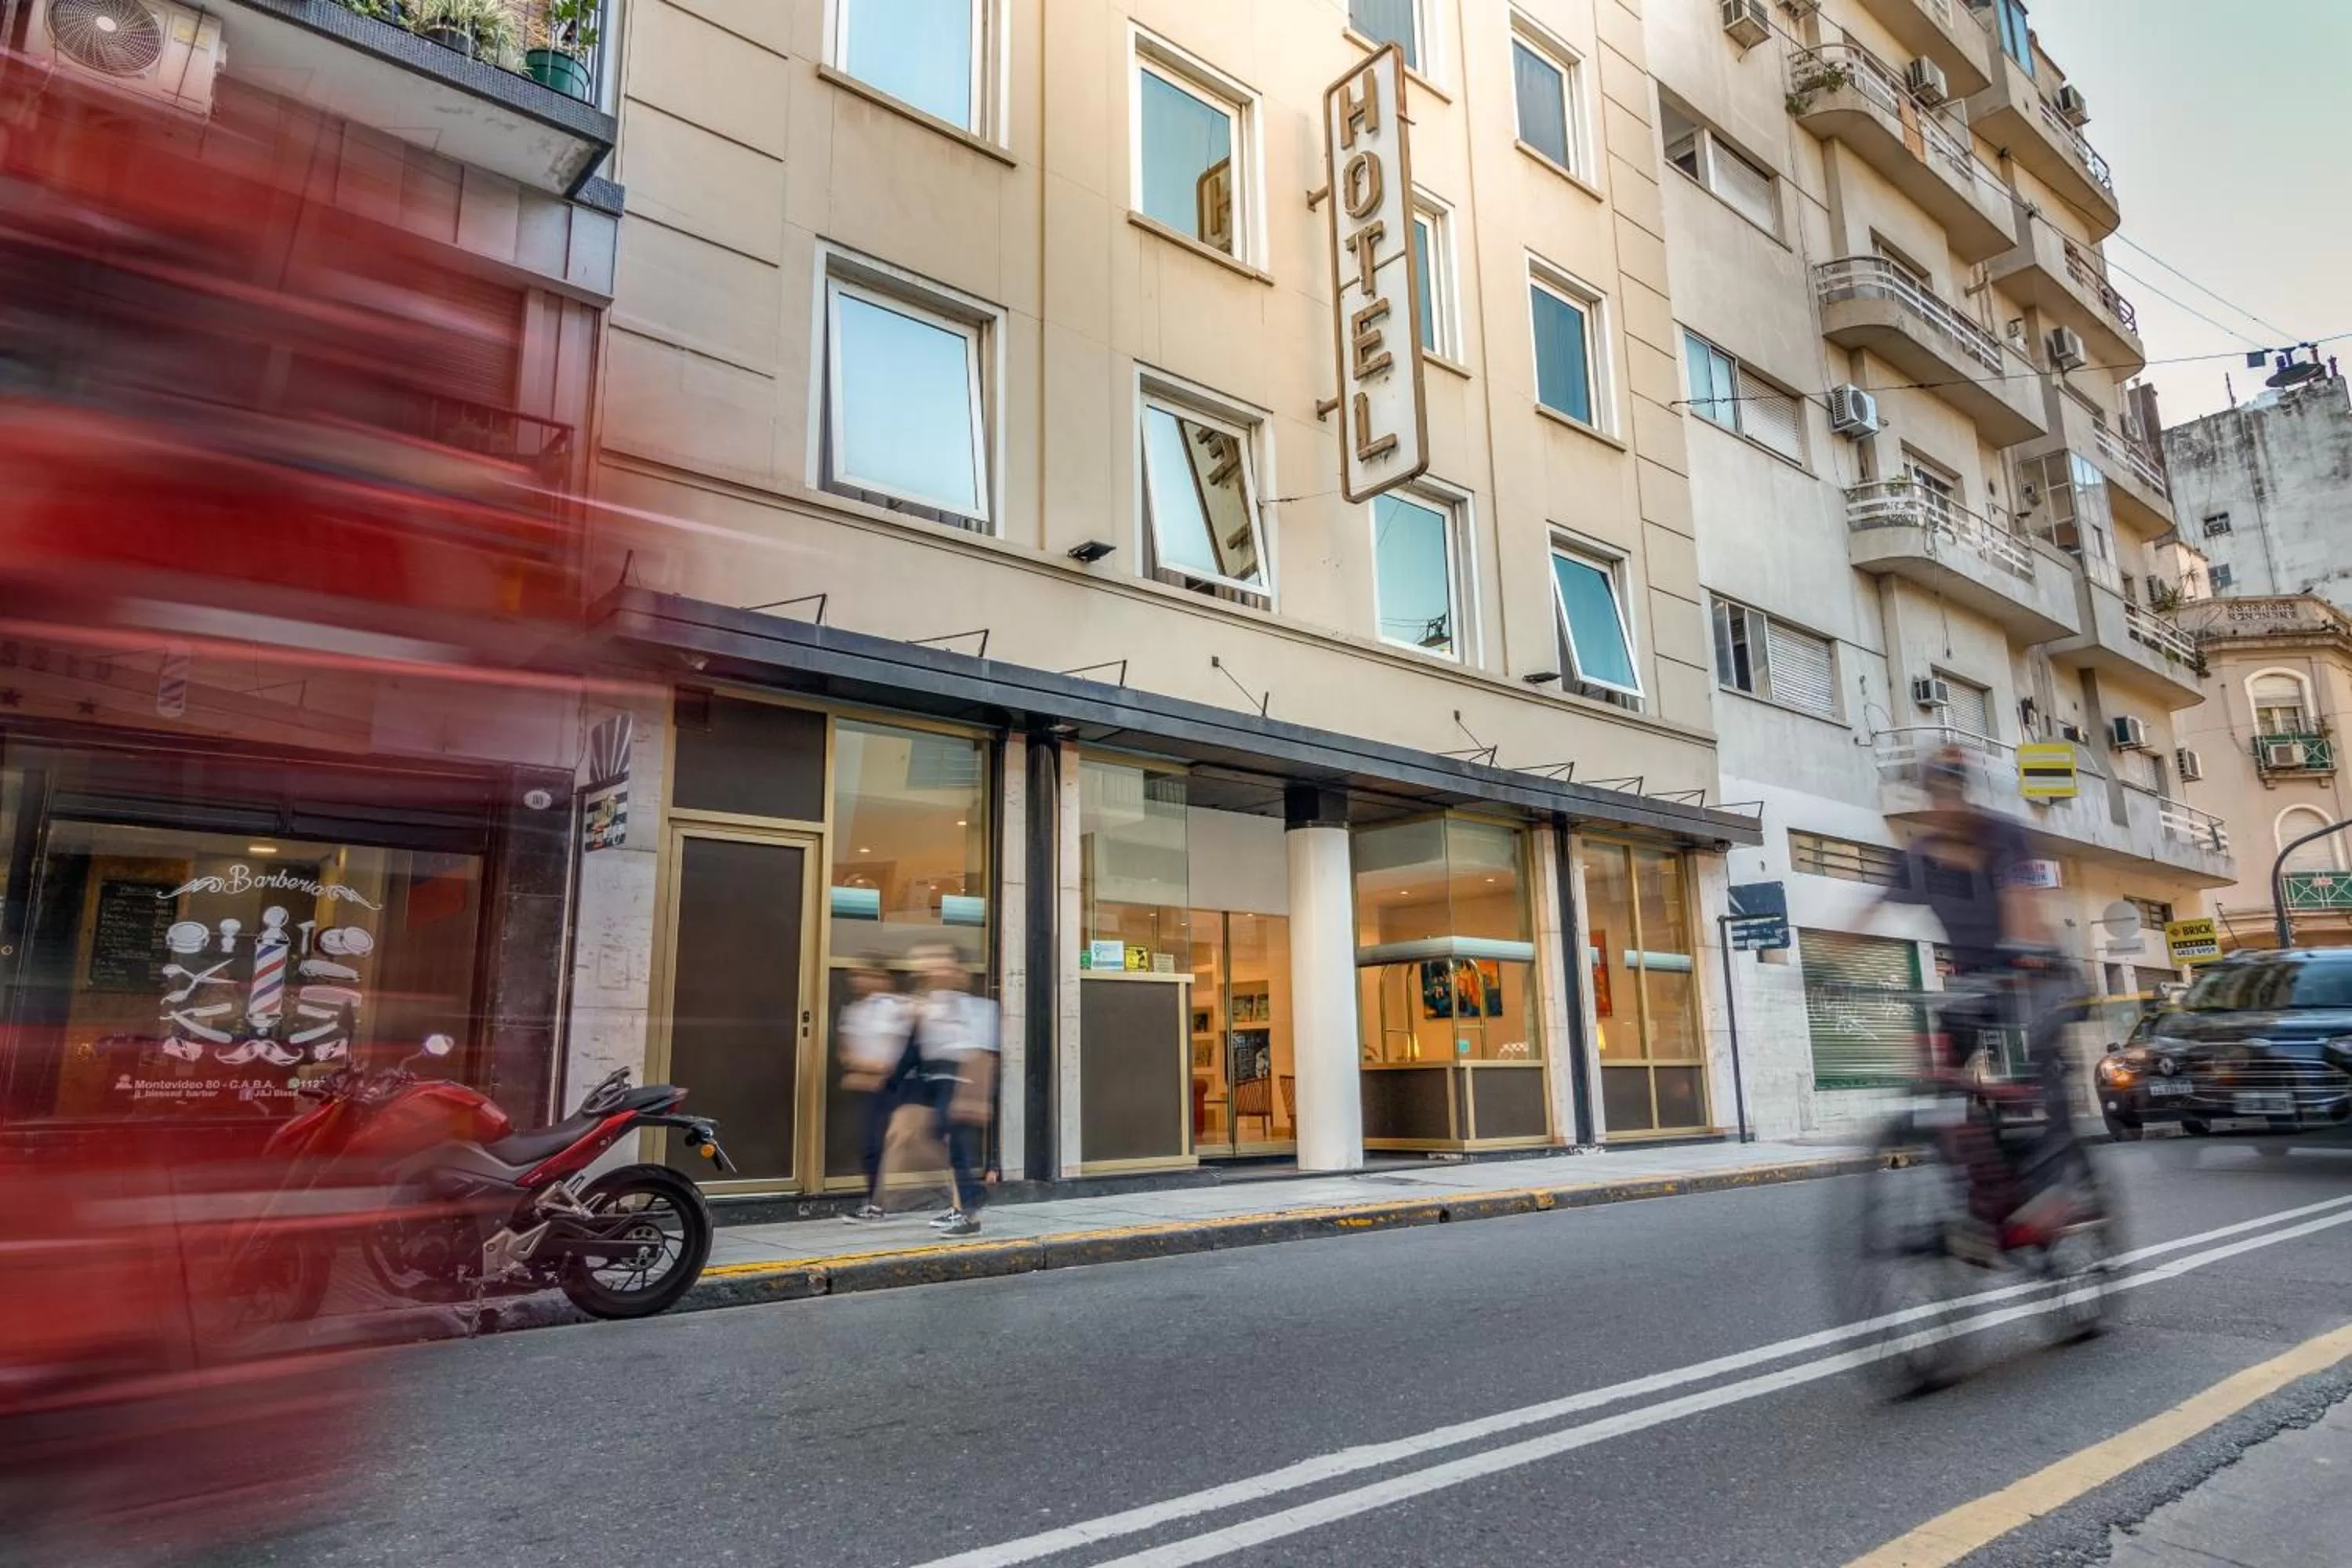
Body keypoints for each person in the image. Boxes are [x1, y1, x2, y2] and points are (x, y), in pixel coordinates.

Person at [1895, 745, 2091, 1246]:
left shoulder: (2003, 835)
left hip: (2040, 971)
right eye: (1936, 791)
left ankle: (2054, 1189)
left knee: (2033, 1062)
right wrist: (1825, 964)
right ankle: (1978, 1203)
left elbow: (2020, 900)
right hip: (1975, 984)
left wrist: (2023, 959)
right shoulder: (1920, 856)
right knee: (1939, 1086)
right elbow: (1865, 912)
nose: (1945, 801)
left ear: (1964, 792)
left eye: (1952, 789)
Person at [906, 943, 997, 1237]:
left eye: (944, 964)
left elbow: (983, 1057)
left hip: (960, 1079)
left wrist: (975, 1097)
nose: (935, 969)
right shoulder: (925, 1005)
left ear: (960, 973)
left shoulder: (978, 1009)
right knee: (939, 1144)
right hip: (934, 1079)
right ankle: (965, 1202)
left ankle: (968, 1212)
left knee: (956, 1147)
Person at [837, 956, 914, 1225]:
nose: (857, 981)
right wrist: (865, 1068)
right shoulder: (854, 1011)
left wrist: (870, 1069)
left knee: (894, 1145)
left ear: (881, 977)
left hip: (896, 1088)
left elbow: (901, 1054)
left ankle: (881, 1202)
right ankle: (875, 1201)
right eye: (854, 975)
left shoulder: (899, 1008)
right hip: (870, 1089)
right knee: (872, 1147)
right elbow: (846, 1052)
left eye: (863, 974)